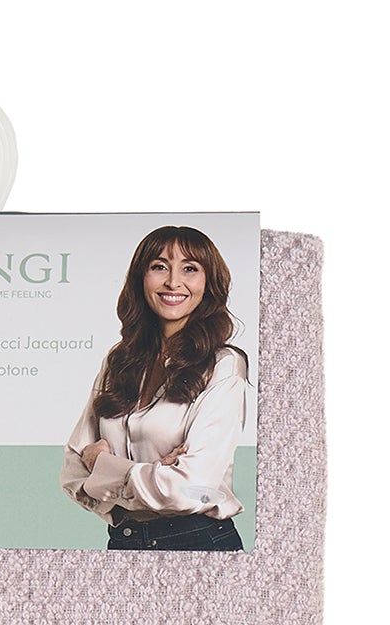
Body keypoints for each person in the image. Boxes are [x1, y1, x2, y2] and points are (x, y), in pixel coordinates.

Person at [60, 226, 250, 551]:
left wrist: (103, 465)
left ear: (208, 283)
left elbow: (191, 489)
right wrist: (155, 473)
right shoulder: (119, 359)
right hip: (124, 540)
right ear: (141, 277)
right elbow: (73, 473)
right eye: (160, 266)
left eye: (190, 269)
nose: (173, 282)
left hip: (198, 541)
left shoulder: (223, 365)